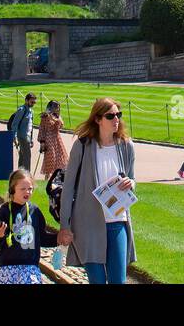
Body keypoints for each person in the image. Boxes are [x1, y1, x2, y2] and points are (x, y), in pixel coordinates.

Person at [58, 98, 137, 285]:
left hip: (117, 221)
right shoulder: (82, 146)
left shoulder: (126, 146)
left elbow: (132, 178)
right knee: (97, 281)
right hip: (88, 224)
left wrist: (131, 183)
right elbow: (68, 187)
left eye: (118, 114)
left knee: (118, 281)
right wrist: (64, 225)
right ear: (98, 119)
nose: (116, 119)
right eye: (110, 116)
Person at [0, 168, 60, 284]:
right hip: (8, 269)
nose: (27, 192)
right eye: (23, 189)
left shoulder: (35, 211)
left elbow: (42, 238)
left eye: (30, 189)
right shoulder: (5, 211)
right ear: (12, 190)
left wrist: (58, 238)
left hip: (30, 269)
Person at [38, 100, 68, 178]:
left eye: (58, 108)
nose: (58, 109)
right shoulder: (45, 116)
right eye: (56, 107)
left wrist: (57, 117)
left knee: (60, 159)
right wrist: (42, 142)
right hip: (48, 138)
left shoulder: (57, 116)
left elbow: (61, 125)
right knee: (51, 158)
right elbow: (42, 129)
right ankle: (46, 180)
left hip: (57, 139)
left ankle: (57, 180)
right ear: (52, 107)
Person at [11, 92, 37, 172]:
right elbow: (15, 124)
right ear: (26, 100)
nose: (33, 104)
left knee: (22, 156)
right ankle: (26, 175)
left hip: (27, 136)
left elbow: (30, 126)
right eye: (31, 102)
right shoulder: (22, 110)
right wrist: (14, 136)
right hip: (22, 136)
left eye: (34, 102)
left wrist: (31, 139)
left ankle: (20, 174)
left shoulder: (31, 111)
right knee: (27, 156)